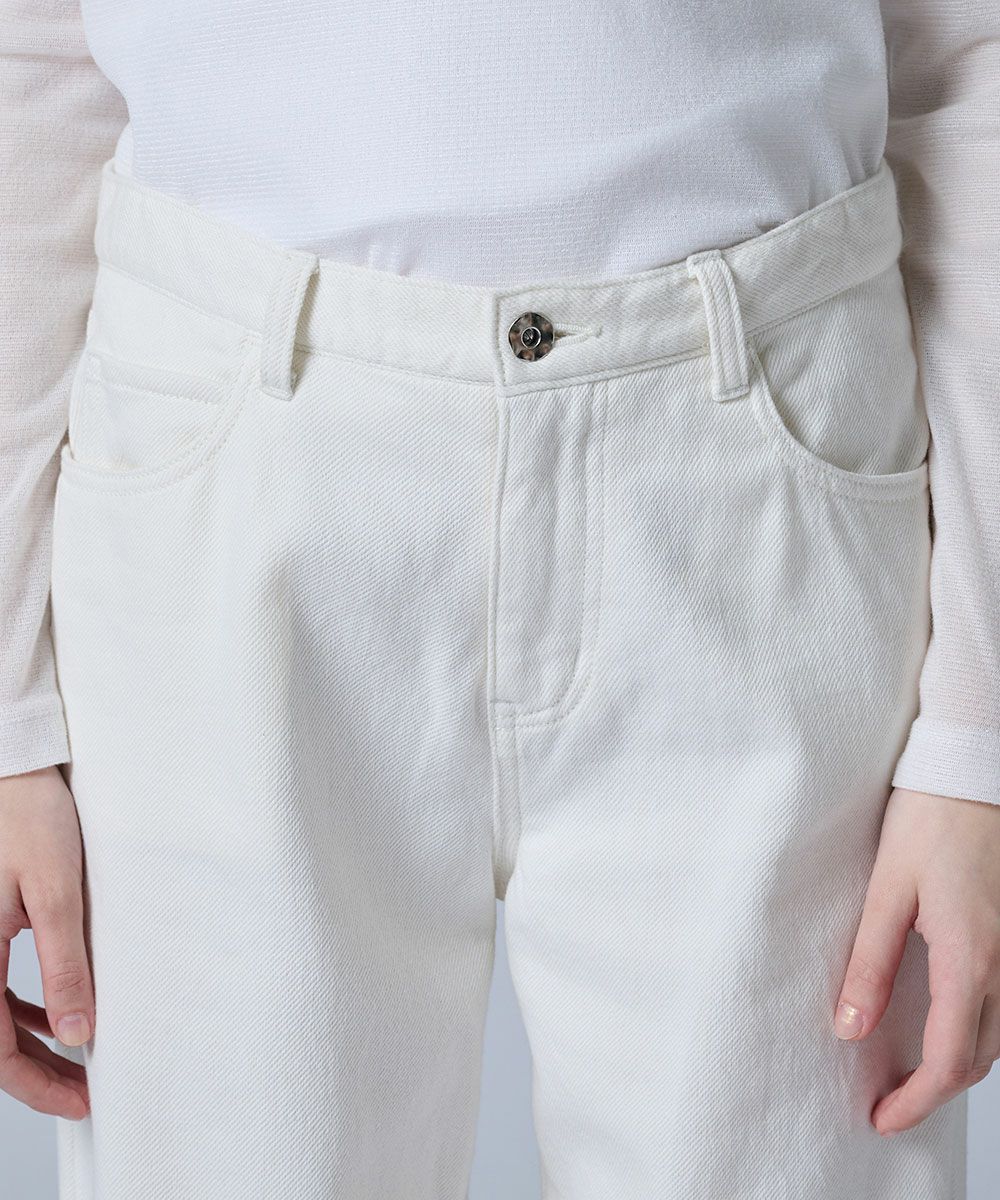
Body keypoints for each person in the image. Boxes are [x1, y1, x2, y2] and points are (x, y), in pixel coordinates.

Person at [1, 0, 997, 1196]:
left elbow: (967, 51)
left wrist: (976, 730)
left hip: (760, 474)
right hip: (221, 474)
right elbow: (34, 64)